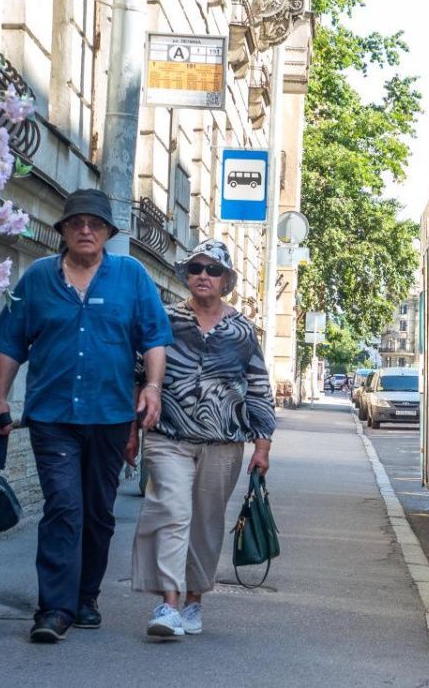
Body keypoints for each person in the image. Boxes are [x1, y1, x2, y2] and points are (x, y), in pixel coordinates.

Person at [0, 188, 173, 643]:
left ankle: (87, 596)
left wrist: (151, 387)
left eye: (95, 224)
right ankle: (54, 608)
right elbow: (12, 344)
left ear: (108, 232)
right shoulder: (35, 280)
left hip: (110, 416)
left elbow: (154, 339)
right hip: (52, 415)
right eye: (76, 224)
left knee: (97, 512)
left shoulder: (131, 276)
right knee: (64, 506)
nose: (85, 230)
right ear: (63, 231)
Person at [130, 239, 275, 638]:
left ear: (226, 279)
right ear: (187, 275)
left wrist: (263, 445)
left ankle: (195, 600)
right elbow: (139, 376)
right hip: (168, 436)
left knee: (206, 524)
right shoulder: (166, 320)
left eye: (212, 270)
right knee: (170, 511)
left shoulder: (242, 330)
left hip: (222, 441)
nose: (203, 276)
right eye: (196, 269)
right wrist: (131, 429)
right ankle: (169, 603)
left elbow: (259, 387)